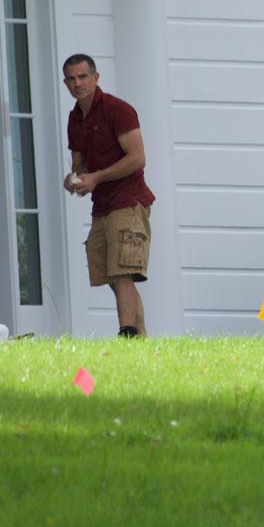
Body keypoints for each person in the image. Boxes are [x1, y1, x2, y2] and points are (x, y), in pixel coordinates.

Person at [61, 53, 154, 337]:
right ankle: (140, 339)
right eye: (72, 79)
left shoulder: (118, 109)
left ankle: (126, 335)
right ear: (65, 83)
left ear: (96, 77)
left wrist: (96, 177)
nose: (78, 84)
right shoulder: (75, 119)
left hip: (129, 200)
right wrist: (73, 180)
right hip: (101, 206)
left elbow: (138, 158)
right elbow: (80, 166)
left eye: (83, 77)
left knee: (122, 272)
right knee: (114, 276)